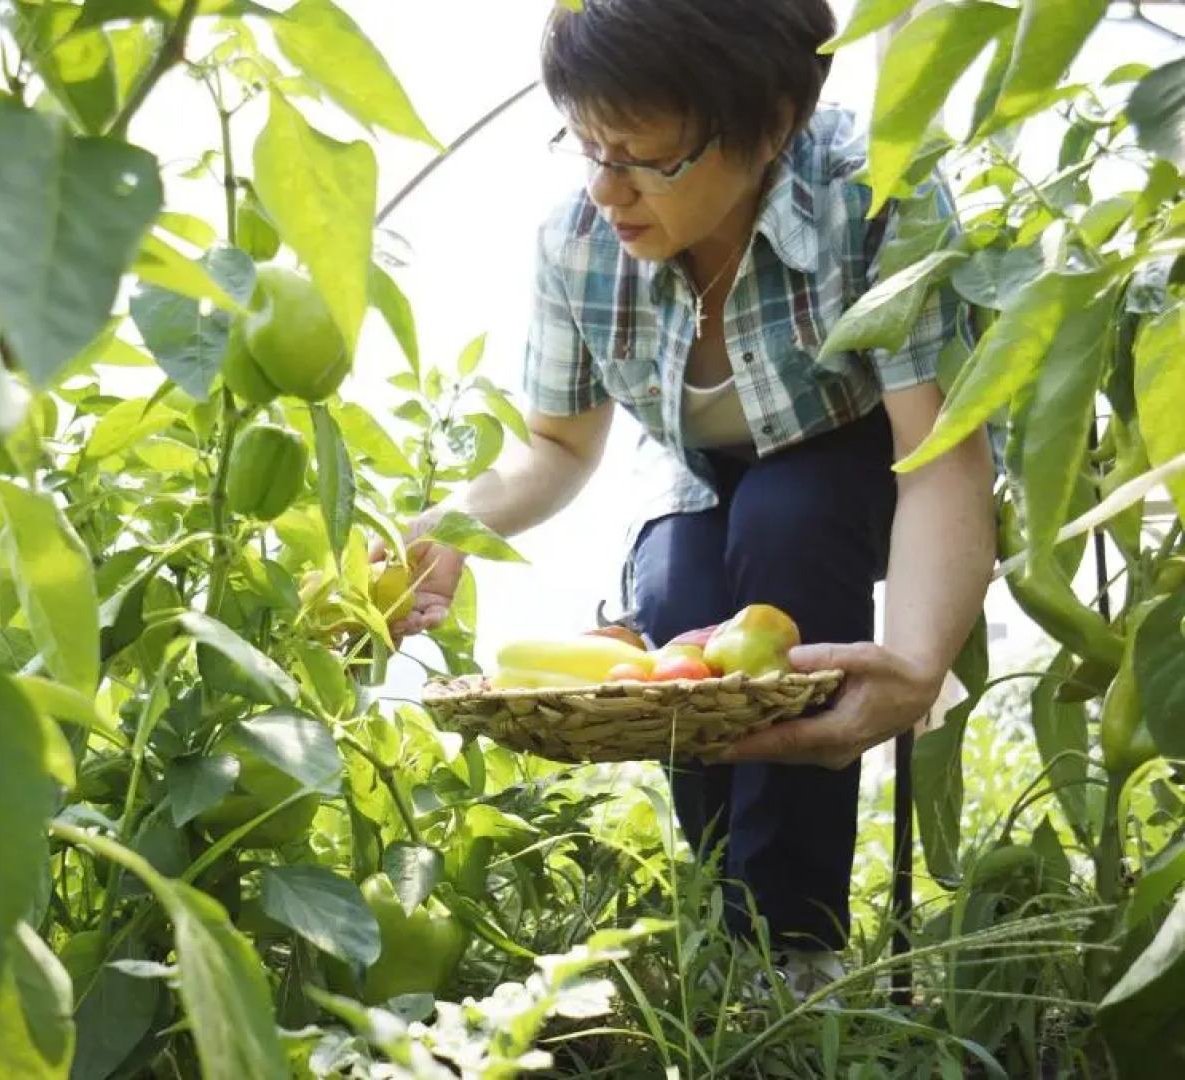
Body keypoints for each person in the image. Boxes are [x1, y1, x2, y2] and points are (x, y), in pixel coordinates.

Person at [387, 0, 997, 993]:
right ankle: (738, 937)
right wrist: (446, 529)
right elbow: (554, 446)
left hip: (859, 460)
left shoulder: (878, 192)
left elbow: (934, 456)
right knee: (677, 600)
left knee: (783, 520)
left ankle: (795, 946)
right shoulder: (580, 242)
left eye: (640, 158)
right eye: (584, 145)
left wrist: (916, 665)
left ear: (770, 127)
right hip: (698, 471)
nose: (603, 186)